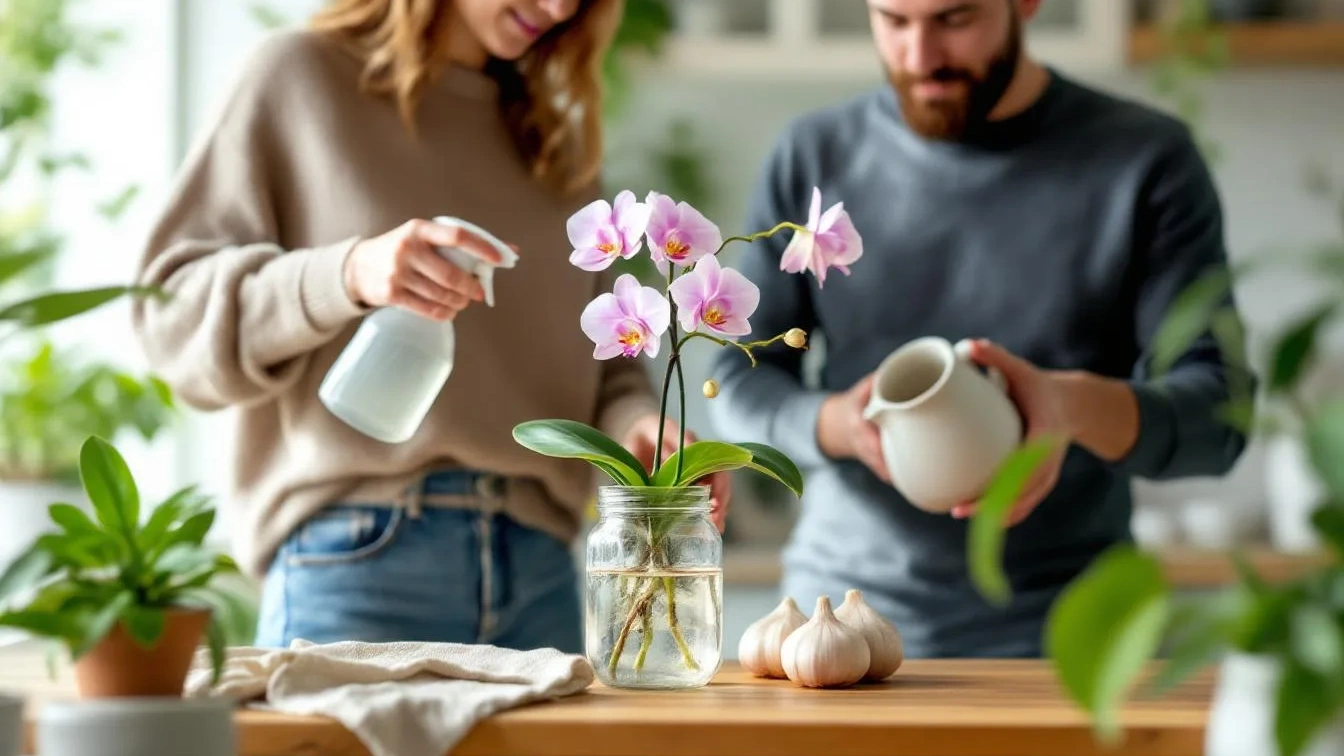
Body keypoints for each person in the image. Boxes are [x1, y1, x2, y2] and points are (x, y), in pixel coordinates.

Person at [130, 0, 730, 653]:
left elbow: (606, 366)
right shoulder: (299, 78)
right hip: (355, 563)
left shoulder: (557, 142)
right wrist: (349, 274)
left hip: (541, 575)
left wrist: (640, 429)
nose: (560, 8)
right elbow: (169, 318)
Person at [710, 0, 1252, 658]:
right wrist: (841, 425)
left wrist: (1071, 407)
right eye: (893, 21)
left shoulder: (1145, 161)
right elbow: (736, 378)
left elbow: (1220, 415)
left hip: (1079, 638)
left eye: (954, 20)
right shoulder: (812, 156)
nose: (920, 57)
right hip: (842, 634)